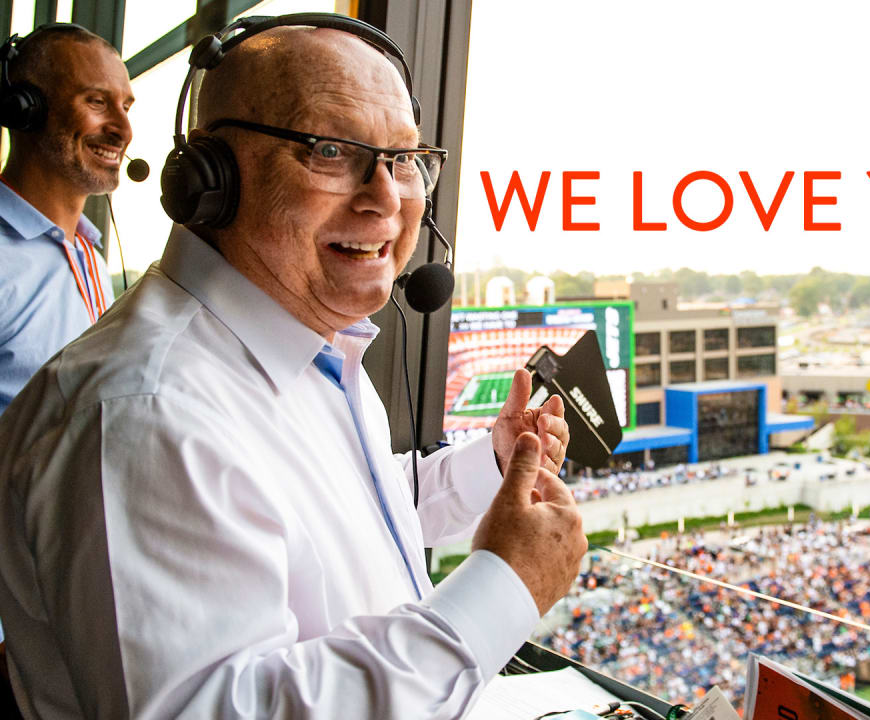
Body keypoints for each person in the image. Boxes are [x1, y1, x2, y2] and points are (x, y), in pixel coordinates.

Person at [0, 17, 587, 719]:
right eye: (332, 150)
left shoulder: (311, 351)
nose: (387, 199)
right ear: (210, 180)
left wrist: (489, 463)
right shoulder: (146, 409)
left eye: (404, 159)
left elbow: (335, 517)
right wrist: (504, 586)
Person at [0, 23, 132, 417]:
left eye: (126, 106)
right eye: (96, 102)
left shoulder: (88, 253)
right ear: (26, 109)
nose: (123, 130)